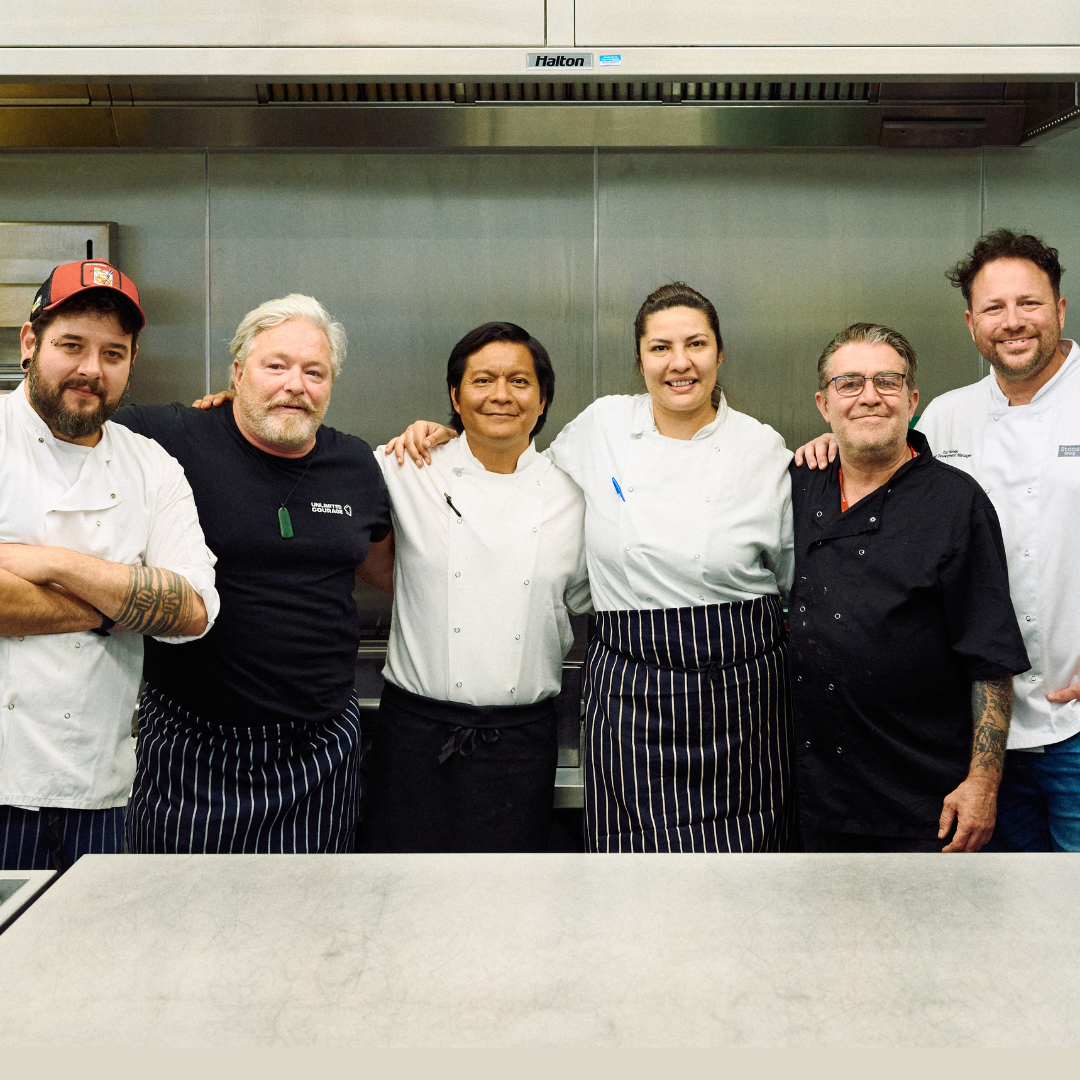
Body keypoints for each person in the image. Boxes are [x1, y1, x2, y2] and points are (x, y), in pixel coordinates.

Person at [387, 283, 796, 853]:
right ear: (640, 360)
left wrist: (835, 447)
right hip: (630, 687)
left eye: (696, 343)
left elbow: (789, 576)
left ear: (719, 354)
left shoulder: (764, 447)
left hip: (739, 690)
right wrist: (448, 435)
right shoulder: (602, 427)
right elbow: (508, 467)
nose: (679, 362)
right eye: (660, 347)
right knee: (626, 861)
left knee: (745, 855)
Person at [796, 230, 1080, 852]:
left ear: (1059, 309)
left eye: (1029, 304)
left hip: (1073, 717)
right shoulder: (949, 414)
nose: (1012, 322)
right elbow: (880, 458)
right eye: (993, 308)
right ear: (972, 323)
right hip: (968, 734)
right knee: (1006, 924)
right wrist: (825, 447)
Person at [112, 294, 393, 854]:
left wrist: (438, 438)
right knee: (182, 918)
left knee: (311, 923)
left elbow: (384, 567)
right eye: (276, 366)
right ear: (237, 373)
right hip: (193, 745)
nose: (296, 385)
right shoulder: (165, 436)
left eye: (315, 372)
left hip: (320, 748)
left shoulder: (355, 463)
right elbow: (61, 430)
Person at [0, 260, 218, 871]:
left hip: (100, 790)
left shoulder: (150, 465)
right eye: (72, 345)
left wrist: (48, 562)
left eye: (113, 354)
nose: (91, 370)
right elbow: (159, 603)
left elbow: (193, 609)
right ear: (29, 342)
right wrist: (117, 604)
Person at [790, 323, 1029, 852]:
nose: (869, 396)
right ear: (823, 404)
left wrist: (983, 786)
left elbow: (990, 661)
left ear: (912, 399)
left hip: (924, 802)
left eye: (887, 381)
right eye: (849, 383)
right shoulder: (797, 484)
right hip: (809, 796)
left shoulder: (955, 502)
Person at [360, 322, 589, 852]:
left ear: (543, 399)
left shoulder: (573, 493)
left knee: (510, 910)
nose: (501, 395)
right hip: (415, 734)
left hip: (522, 742)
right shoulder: (405, 467)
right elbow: (307, 466)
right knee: (400, 901)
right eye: (483, 380)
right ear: (455, 397)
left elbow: (580, 596)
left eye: (519, 381)